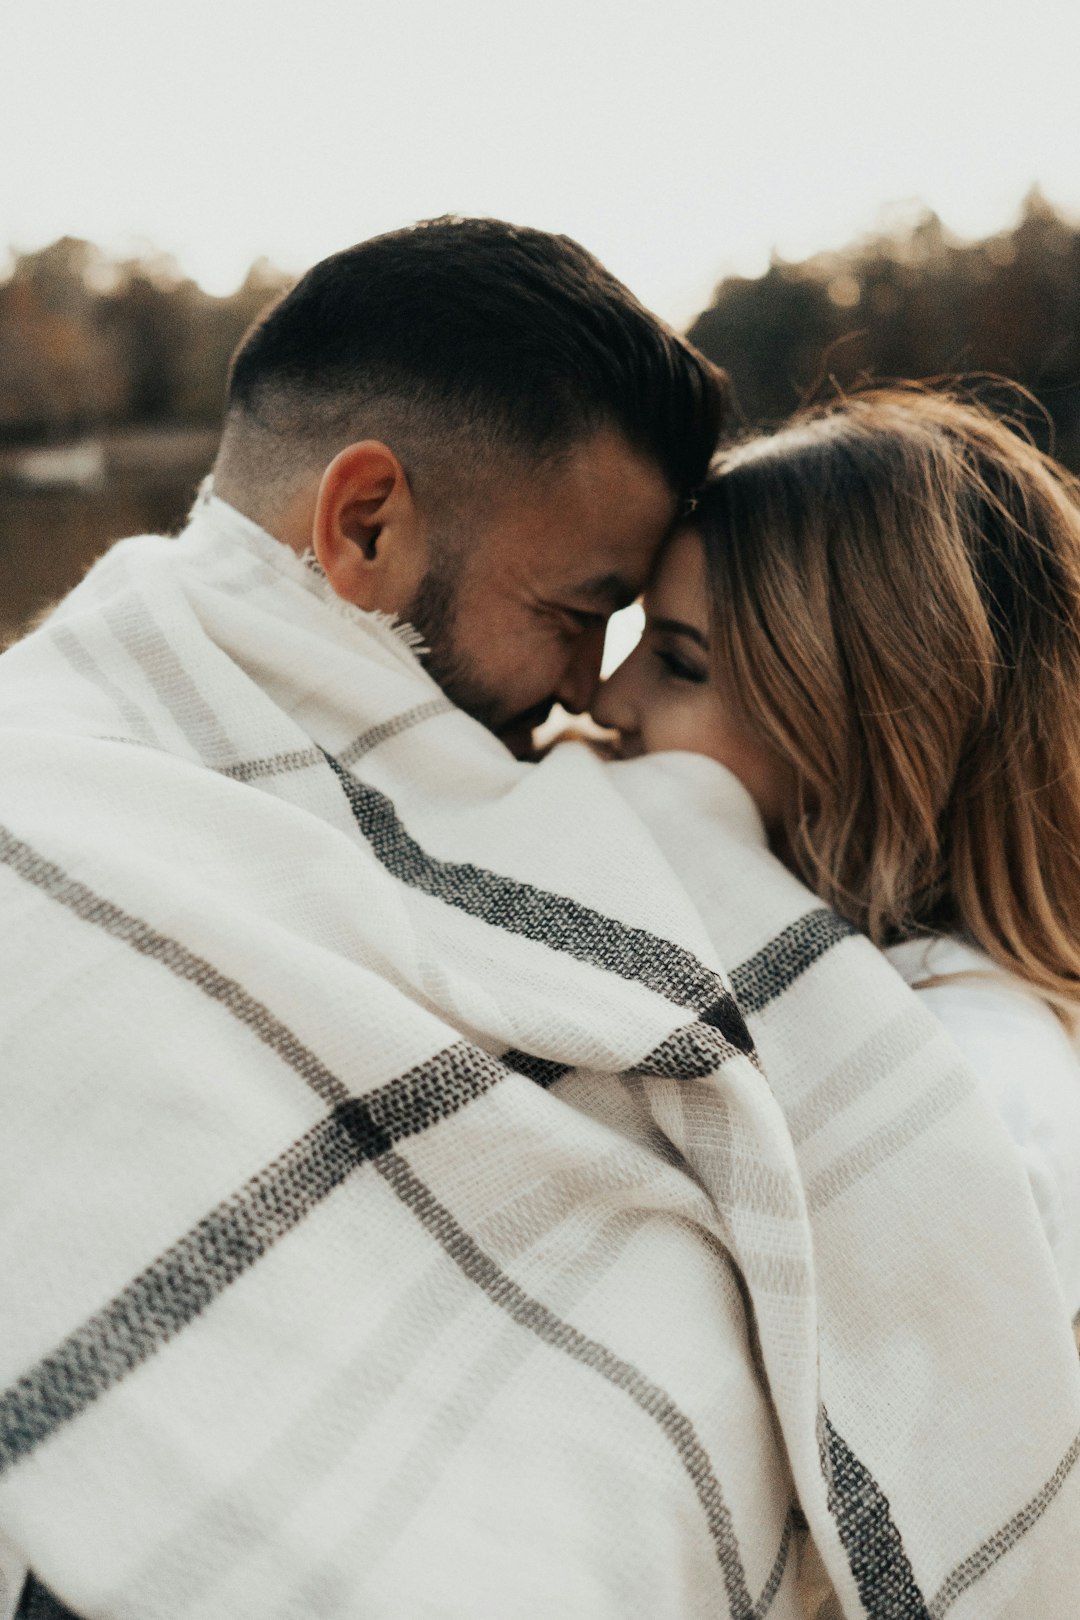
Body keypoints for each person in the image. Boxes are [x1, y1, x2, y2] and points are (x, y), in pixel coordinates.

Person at [0, 227, 1077, 1620]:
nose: (594, 700)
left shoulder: (978, 1101)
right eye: (587, 618)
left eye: (663, 655)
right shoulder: (95, 794)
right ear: (365, 523)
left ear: (874, 732)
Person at [594, 386, 1080, 1317]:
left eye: (681, 662)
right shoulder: (827, 995)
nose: (607, 701)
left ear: (860, 733)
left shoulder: (959, 1094)